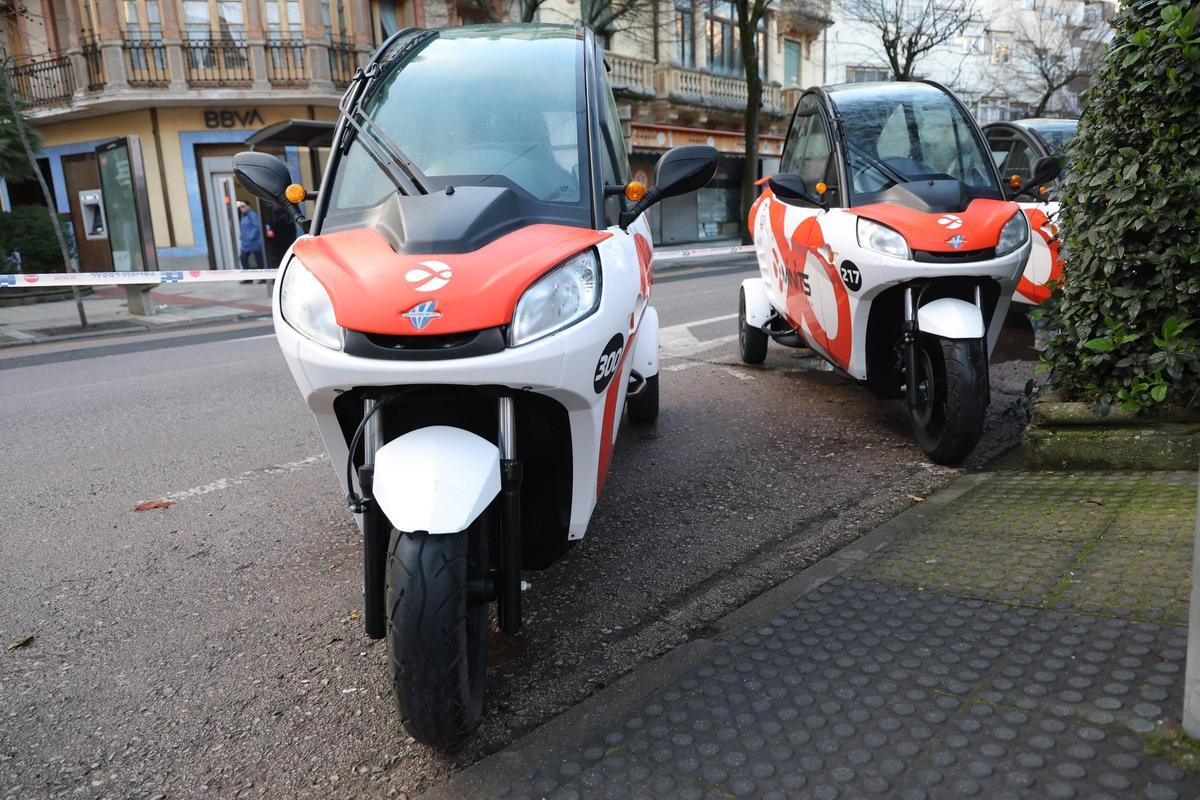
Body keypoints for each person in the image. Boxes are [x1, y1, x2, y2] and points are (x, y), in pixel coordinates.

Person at [237, 201, 264, 281]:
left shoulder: (252, 215)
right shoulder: (243, 215)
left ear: (248, 206)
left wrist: (251, 236)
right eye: (240, 207)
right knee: (243, 259)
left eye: (243, 206)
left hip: (254, 242)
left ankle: (263, 277)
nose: (241, 208)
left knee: (259, 260)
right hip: (246, 243)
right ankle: (248, 278)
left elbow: (257, 227)